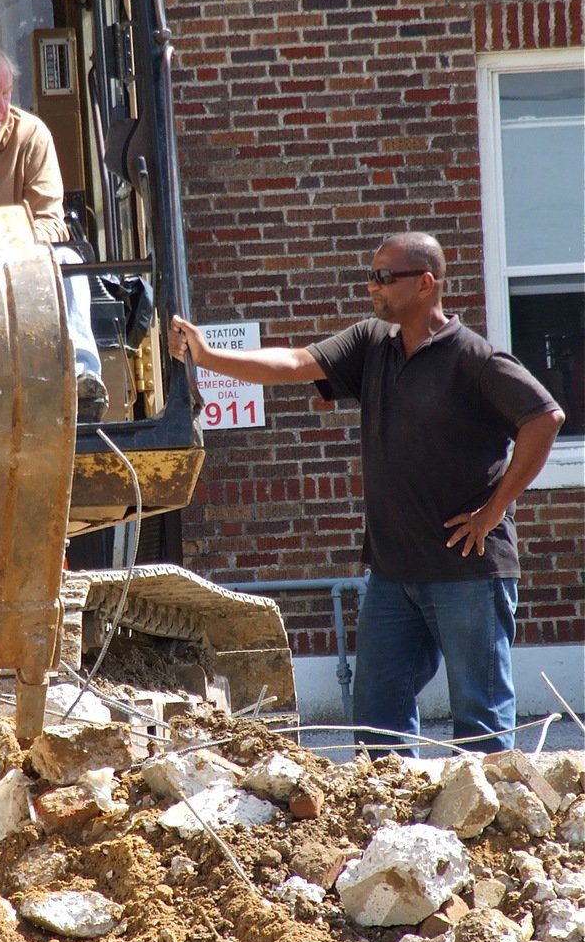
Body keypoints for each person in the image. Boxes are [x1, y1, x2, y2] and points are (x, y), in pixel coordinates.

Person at [168, 232, 565, 757]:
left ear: (425, 284)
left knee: (481, 720)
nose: (371, 286)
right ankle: (393, 824)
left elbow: (545, 418)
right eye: (371, 274)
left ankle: (489, 832)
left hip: (469, 571)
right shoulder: (371, 343)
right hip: (391, 573)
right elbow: (291, 364)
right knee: (378, 718)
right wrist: (208, 355)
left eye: (383, 276)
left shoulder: (475, 359)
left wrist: (494, 509)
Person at [0, 36, 108, 422]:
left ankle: (81, 374)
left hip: (13, 272)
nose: (2, 107)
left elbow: (51, 224)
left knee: (67, 260)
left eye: (7, 93)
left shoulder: (31, 137)